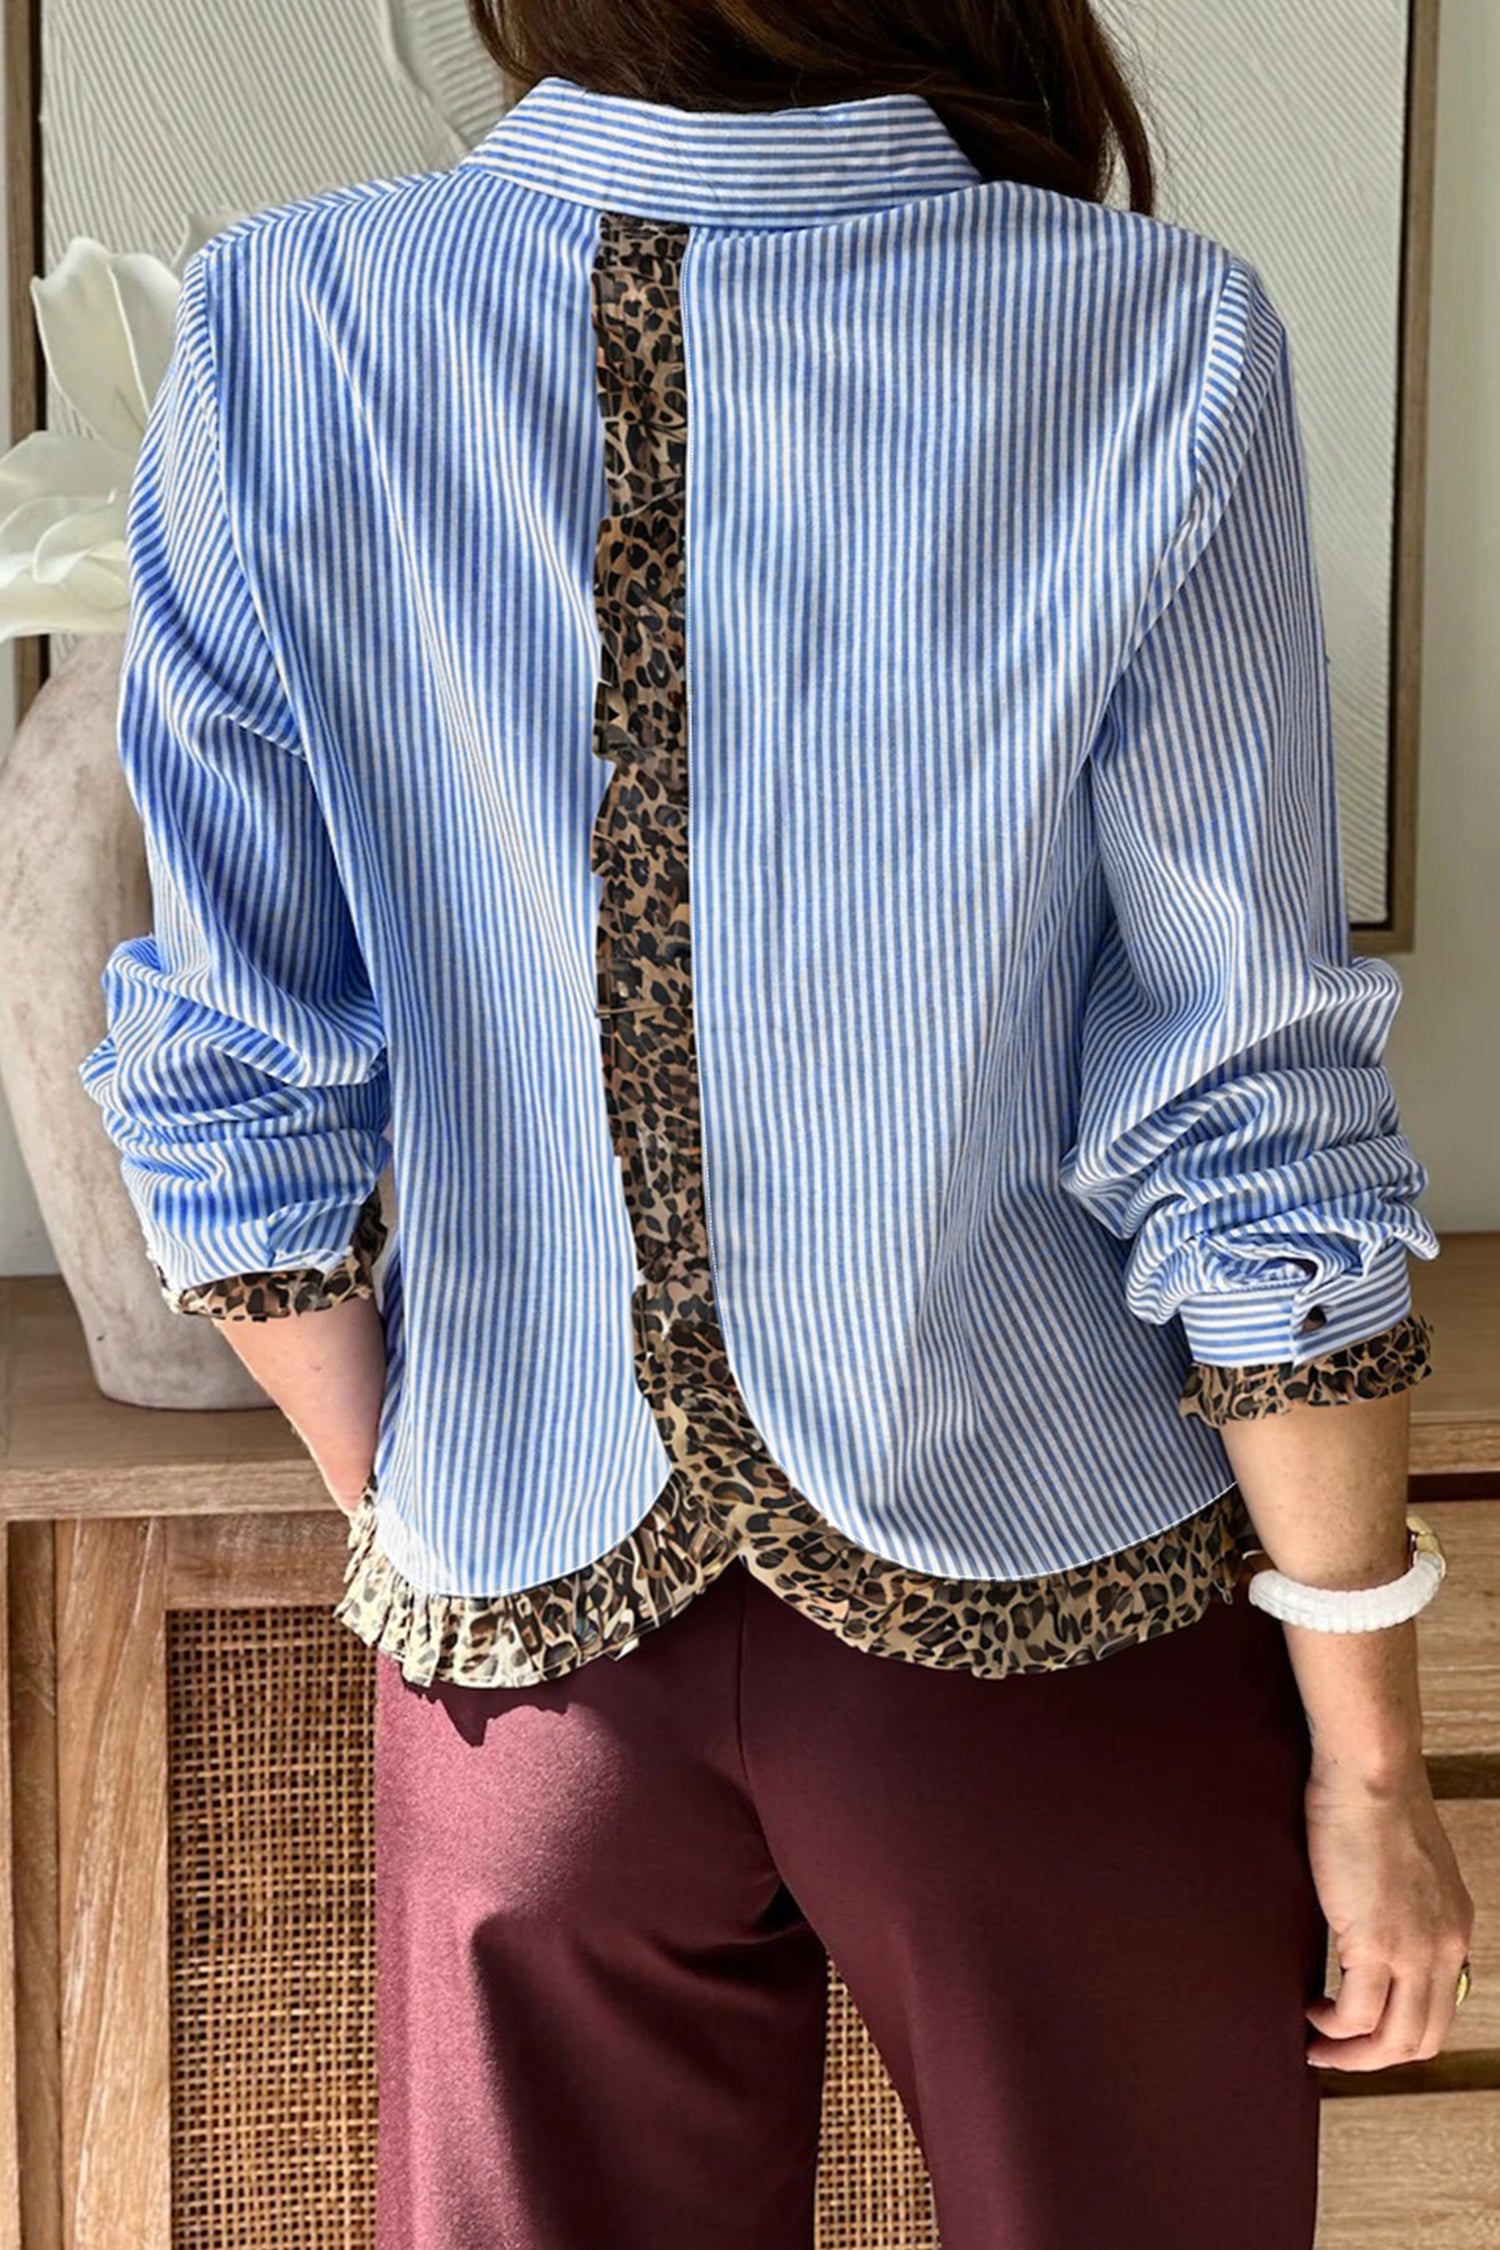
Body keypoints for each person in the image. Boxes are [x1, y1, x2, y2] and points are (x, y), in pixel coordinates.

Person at [78, 3, 1475, 2244]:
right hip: (1051, 1612)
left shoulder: (286, 321)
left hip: (531, 1652)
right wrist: (1374, 1764)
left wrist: (426, 1505)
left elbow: (231, 1067)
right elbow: (1250, 1105)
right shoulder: (1142, 333)